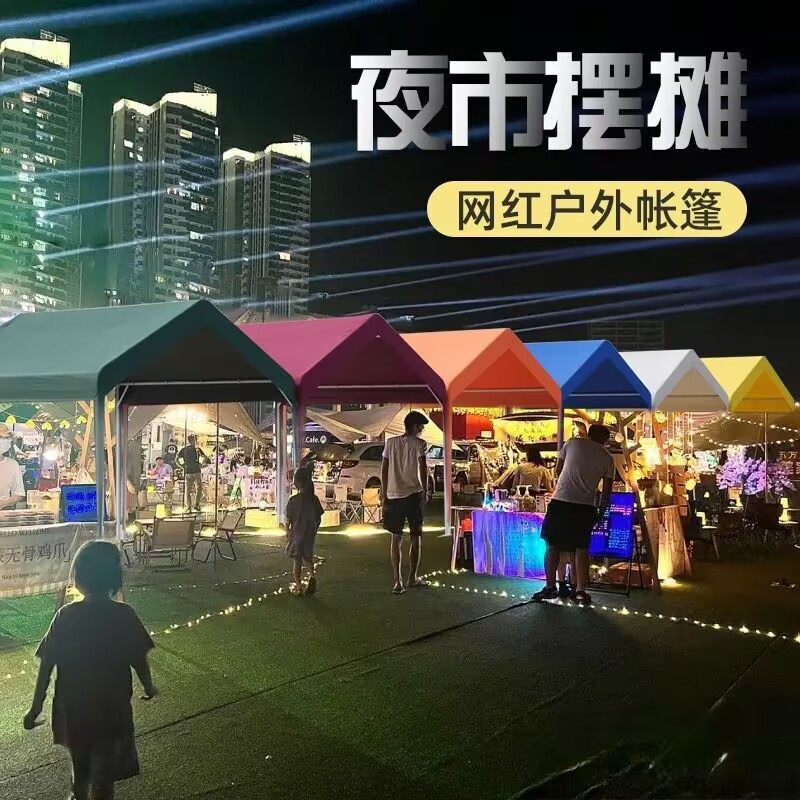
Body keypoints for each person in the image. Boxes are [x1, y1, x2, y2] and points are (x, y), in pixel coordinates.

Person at [23, 540, 156, 800]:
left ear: (79, 578)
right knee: (104, 777)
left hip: (74, 708)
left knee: (80, 768)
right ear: (114, 578)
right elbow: (139, 658)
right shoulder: (124, 614)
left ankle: (78, 794)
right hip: (112, 707)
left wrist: (36, 706)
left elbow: (47, 663)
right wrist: (149, 686)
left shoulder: (66, 616)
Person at [533, 424, 614, 606]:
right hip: (585, 506)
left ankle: (550, 586)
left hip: (561, 501)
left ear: (588, 434)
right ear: (605, 440)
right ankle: (580, 591)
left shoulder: (572, 443)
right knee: (581, 548)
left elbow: (558, 470)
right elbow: (606, 492)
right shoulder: (607, 458)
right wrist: (601, 512)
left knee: (552, 545)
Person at [381, 410, 431, 594]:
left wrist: (384, 493)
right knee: (415, 537)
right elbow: (423, 469)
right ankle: (412, 577)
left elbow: (384, 469)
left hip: (393, 495)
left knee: (396, 538)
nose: (422, 430)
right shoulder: (420, 444)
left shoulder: (391, 442)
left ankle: (397, 581)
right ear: (415, 427)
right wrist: (425, 492)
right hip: (413, 495)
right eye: (421, 427)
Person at [285, 465, 323, 596]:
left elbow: (288, 520)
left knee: (297, 561)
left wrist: (288, 532)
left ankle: (299, 586)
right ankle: (312, 576)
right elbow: (318, 518)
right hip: (309, 535)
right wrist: (314, 529)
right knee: (308, 558)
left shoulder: (293, 500)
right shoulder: (314, 499)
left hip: (296, 535)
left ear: (297, 482)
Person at [177, 435, 205, 512]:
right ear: (194, 441)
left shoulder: (184, 449)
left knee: (187, 490)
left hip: (188, 472)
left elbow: (177, 459)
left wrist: (183, 466)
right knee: (199, 488)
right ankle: (196, 505)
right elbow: (203, 457)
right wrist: (200, 464)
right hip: (196, 471)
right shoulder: (197, 450)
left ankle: (188, 507)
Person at [0, 423, 24, 510]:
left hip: (3, 513)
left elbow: (19, 494)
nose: (2, 441)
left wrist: (5, 503)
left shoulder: (13, 465)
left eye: (5, 438)